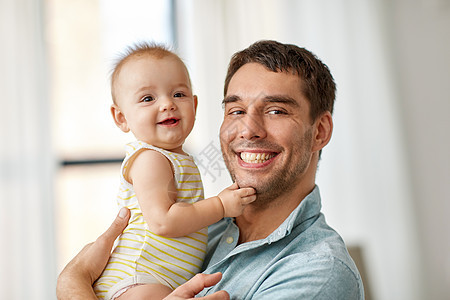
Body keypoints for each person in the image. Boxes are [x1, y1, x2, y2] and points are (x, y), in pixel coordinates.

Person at [57, 40, 364, 299]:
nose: (249, 130)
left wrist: (73, 282)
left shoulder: (318, 272)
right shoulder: (206, 224)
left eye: (275, 110)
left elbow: (78, 278)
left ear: (320, 132)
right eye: (236, 110)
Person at [91, 43, 256, 300]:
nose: (167, 104)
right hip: (138, 280)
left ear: (195, 105)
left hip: (160, 281)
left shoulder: (175, 158)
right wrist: (221, 206)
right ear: (121, 118)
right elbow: (163, 221)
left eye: (178, 94)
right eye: (148, 98)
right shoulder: (150, 159)